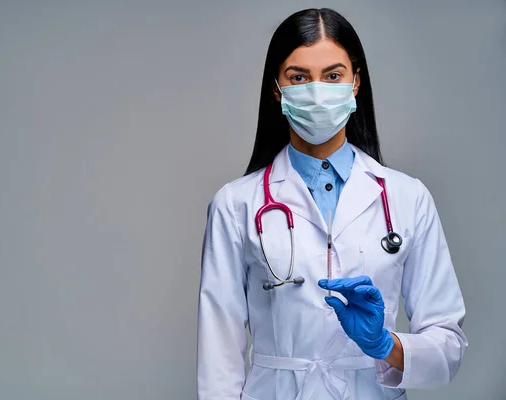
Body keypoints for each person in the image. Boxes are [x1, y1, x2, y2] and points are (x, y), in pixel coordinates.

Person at [196, 8, 467, 400]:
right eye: (299, 77)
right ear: (277, 88)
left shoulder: (408, 198)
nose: (317, 90)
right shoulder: (235, 205)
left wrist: (384, 344)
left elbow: (449, 347)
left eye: (333, 75)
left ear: (356, 82)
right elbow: (217, 359)